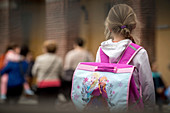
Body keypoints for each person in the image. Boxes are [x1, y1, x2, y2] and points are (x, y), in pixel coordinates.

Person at [95, 4, 155, 111]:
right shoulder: (139, 53)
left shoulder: (101, 51)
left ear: (109, 27)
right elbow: (147, 88)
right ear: (134, 26)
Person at [32, 40, 66, 105]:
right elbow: (61, 74)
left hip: (42, 85)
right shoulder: (59, 59)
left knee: (42, 105)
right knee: (52, 105)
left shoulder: (39, 59)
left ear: (45, 49)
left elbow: (34, 72)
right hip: (55, 85)